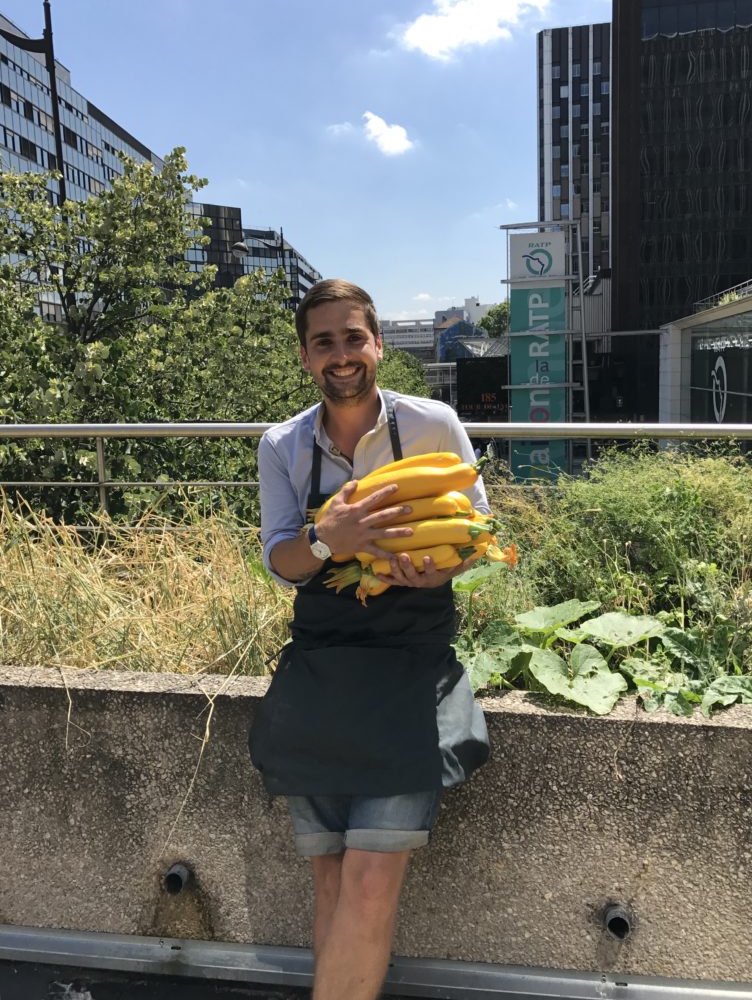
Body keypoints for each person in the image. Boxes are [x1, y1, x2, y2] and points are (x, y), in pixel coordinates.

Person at [249, 279, 490, 1000]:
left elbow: (478, 535)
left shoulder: (433, 425)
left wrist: (430, 571)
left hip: (413, 674)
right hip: (319, 675)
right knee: (332, 882)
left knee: (372, 879)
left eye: (354, 337)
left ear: (377, 343)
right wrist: (329, 541)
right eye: (324, 341)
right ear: (305, 358)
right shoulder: (282, 445)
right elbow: (279, 561)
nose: (342, 354)